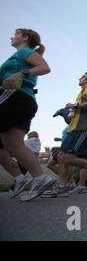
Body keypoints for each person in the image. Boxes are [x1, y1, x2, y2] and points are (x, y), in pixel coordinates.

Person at [0, 28, 56, 201]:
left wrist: (20, 73)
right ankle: (35, 178)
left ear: (25, 38)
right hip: (20, 99)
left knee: (13, 145)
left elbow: (44, 68)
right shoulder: (20, 55)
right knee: (12, 145)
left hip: (15, 98)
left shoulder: (24, 52)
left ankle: (34, 178)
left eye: (16, 34)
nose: (11, 36)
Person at [44, 72, 87, 197]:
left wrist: (75, 105)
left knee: (67, 157)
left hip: (81, 129)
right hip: (73, 128)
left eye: (82, 76)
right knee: (61, 157)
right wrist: (67, 112)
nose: (79, 78)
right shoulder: (81, 92)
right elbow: (79, 112)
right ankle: (63, 186)